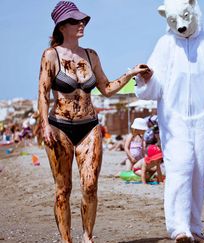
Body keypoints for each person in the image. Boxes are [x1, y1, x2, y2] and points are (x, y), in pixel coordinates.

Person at [37, 2, 149, 242]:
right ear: (61, 26)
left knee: (90, 186)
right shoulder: (51, 56)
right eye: (75, 21)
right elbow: (43, 93)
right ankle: (66, 240)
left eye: (82, 20)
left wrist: (130, 74)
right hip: (59, 127)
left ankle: (88, 237)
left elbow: (106, 89)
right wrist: (44, 125)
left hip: (89, 127)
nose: (81, 24)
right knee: (63, 189)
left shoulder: (91, 55)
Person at [135, 0, 204, 242]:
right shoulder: (165, 44)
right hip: (173, 117)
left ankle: (195, 226)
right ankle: (178, 228)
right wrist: (147, 78)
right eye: (173, 21)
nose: (180, 26)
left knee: (199, 171)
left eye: (184, 17)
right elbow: (154, 89)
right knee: (180, 167)